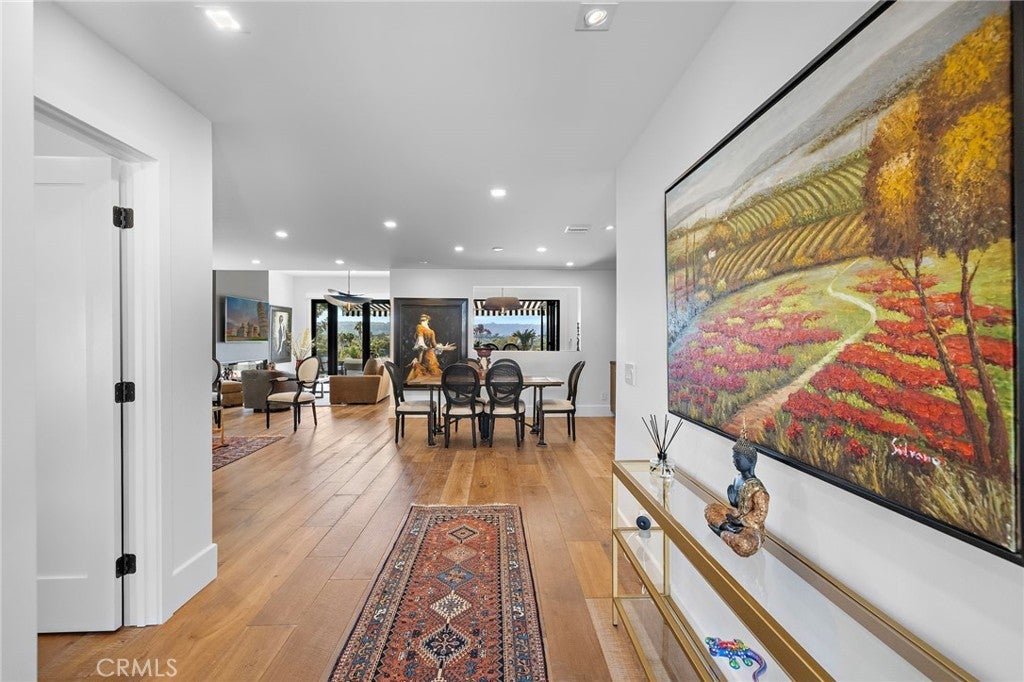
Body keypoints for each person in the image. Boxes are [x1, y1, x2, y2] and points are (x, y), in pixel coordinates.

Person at [704, 432, 770, 557]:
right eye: (733, 457)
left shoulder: (759, 490)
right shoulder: (738, 478)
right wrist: (733, 501)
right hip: (734, 517)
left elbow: (760, 515)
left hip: (750, 529)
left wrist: (741, 522)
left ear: (750, 461)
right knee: (710, 509)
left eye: (738, 458)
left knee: (745, 545)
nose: (734, 461)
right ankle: (727, 528)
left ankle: (722, 532)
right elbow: (735, 507)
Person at [406, 313, 455, 380]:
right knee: (432, 374)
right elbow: (433, 345)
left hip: (427, 355)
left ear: (426, 321)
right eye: (422, 321)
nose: (422, 322)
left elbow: (422, 345)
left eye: (423, 320)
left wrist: (418, 360)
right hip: (430, 355)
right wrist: (444, 348)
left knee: (429, 374)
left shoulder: (420, 327)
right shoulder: (430, 331)